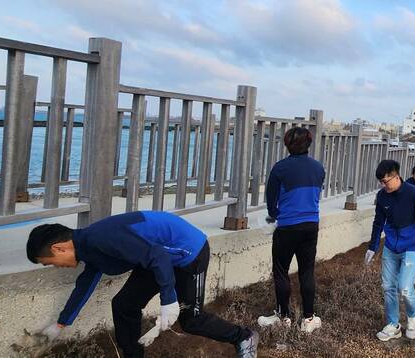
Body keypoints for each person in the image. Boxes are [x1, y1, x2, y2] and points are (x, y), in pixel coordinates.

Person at [26, 212, 258, 358]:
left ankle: (243, 337)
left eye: (50, 263)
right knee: (124, 305)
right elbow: (84, 284)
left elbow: (158, 256)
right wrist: (61, 323)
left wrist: (169, 300)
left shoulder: (101, 238)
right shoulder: (88, 246)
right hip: (156, 257)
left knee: (192, 320)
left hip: (188, 252)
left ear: (58, 248)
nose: (56, 267)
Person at [258, 127, 325, 333]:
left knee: (281, 271)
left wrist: (275, 215)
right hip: (311, 225)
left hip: (287, 226)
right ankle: (308, 319)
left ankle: (283, 316)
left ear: (287, 144)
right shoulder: (318, 168)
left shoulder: (280, 168)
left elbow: (271, 201)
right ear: (309, 143)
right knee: (307, 271)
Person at [365, 160, 415, 342]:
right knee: (388, 286)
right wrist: (372, 246)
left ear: (396, 176)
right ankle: (393, 324)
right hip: (390, 247)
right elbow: (378, 222)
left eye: (385, 181)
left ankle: (413, 319)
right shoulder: (382, 196)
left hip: (411, 246)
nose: (383, 185)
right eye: (381, 182)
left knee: (404, 287)